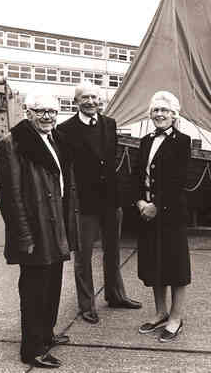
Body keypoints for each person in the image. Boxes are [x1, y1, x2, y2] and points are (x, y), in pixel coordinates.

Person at [0, 94, 80, 368]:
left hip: (55, 227)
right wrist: (24, 237)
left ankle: (46, 334)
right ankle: (31, 349)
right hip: (35, 230)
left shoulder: (54, 139)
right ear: (28, 113)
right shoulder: (12, 143)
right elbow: (11, 198)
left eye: (52, 112)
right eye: (41, 111)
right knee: (33, 291)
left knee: (53, 285)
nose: (48, 117)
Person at [57, 82, 141, 324]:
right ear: (76, 102)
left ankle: (115, 295)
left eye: (94, 97)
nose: (91, 101)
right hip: (83, 203)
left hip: (111, 201)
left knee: (113, 251)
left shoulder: (109, 124)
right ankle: (86, 305)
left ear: (100, 100)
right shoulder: (65, 130)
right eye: (85, 97)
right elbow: (64, 169)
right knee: (83, 256)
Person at [134, 91, 191, 342]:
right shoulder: (145, 140)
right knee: (154, 263)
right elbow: (137, 175)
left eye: (164, 110)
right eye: (156, 110)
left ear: (174, 115)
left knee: (175, 265)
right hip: (146, 211)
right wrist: (139, 202)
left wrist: (156, 205)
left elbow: (179, 181)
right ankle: (160, 312)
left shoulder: (182, 141)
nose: (159, 114)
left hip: (171, 214)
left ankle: (176, 318)